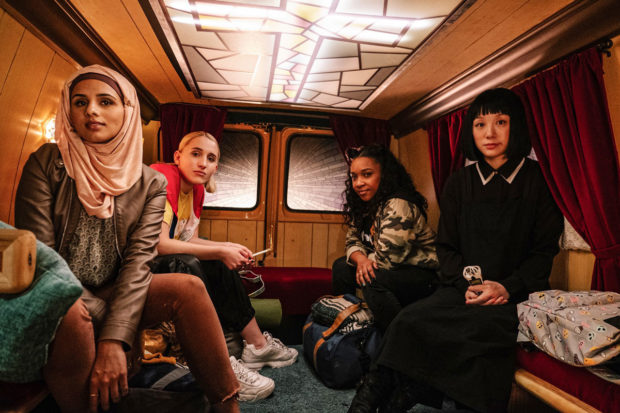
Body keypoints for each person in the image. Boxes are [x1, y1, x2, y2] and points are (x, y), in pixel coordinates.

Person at [14, 65, 240, 413]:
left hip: (113, 288)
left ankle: (227, 404)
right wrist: (114, 332)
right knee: (71, 312)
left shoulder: (150, 183)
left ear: (128, 110)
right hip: (57, 293)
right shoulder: (46, 162)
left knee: (189, 288)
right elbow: (43, 261)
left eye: (105, 101)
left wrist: (113, 336)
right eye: (80, 102)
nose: (91, 110)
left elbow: (138, 264)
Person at [347, 88, 564, 413]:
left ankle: (411, 392)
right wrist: (468, 285)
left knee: (476, 334)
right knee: (408, 320)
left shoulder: (539, 181)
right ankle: (365, 404)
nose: (489, 133)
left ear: (516, 126)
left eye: (500, 122)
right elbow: (446, 248)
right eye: (480, 125)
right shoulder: (459, 183)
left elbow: (543, 253)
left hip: (515, 294)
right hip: (461, 287)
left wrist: (506, 287)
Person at [150, 131, 298, 401]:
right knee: (189, 261)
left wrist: (228, 247)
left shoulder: (195, 190)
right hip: (142, 268)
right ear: (177, 157)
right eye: (195, 154)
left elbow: (189, 239)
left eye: (210, 158)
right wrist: (219, 250)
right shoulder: (163, 180)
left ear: (216, 166)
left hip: (165, 261)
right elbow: (159, 245)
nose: (202, 163)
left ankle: (257, 346)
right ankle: (218, 365)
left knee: (216, 260)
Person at [332, 144, 439, 331]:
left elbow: (388, 260)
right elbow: (352, 241)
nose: (358, 183)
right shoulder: (366, 204)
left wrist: (365, 261)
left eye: (367, 174)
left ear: (385, 175)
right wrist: (361, 259)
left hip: (422, 276)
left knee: (372, 278)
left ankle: (397, 338)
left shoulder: (399, 203)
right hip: (388, 267)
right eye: (354, 177)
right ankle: (350, 325)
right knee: (341, 267)